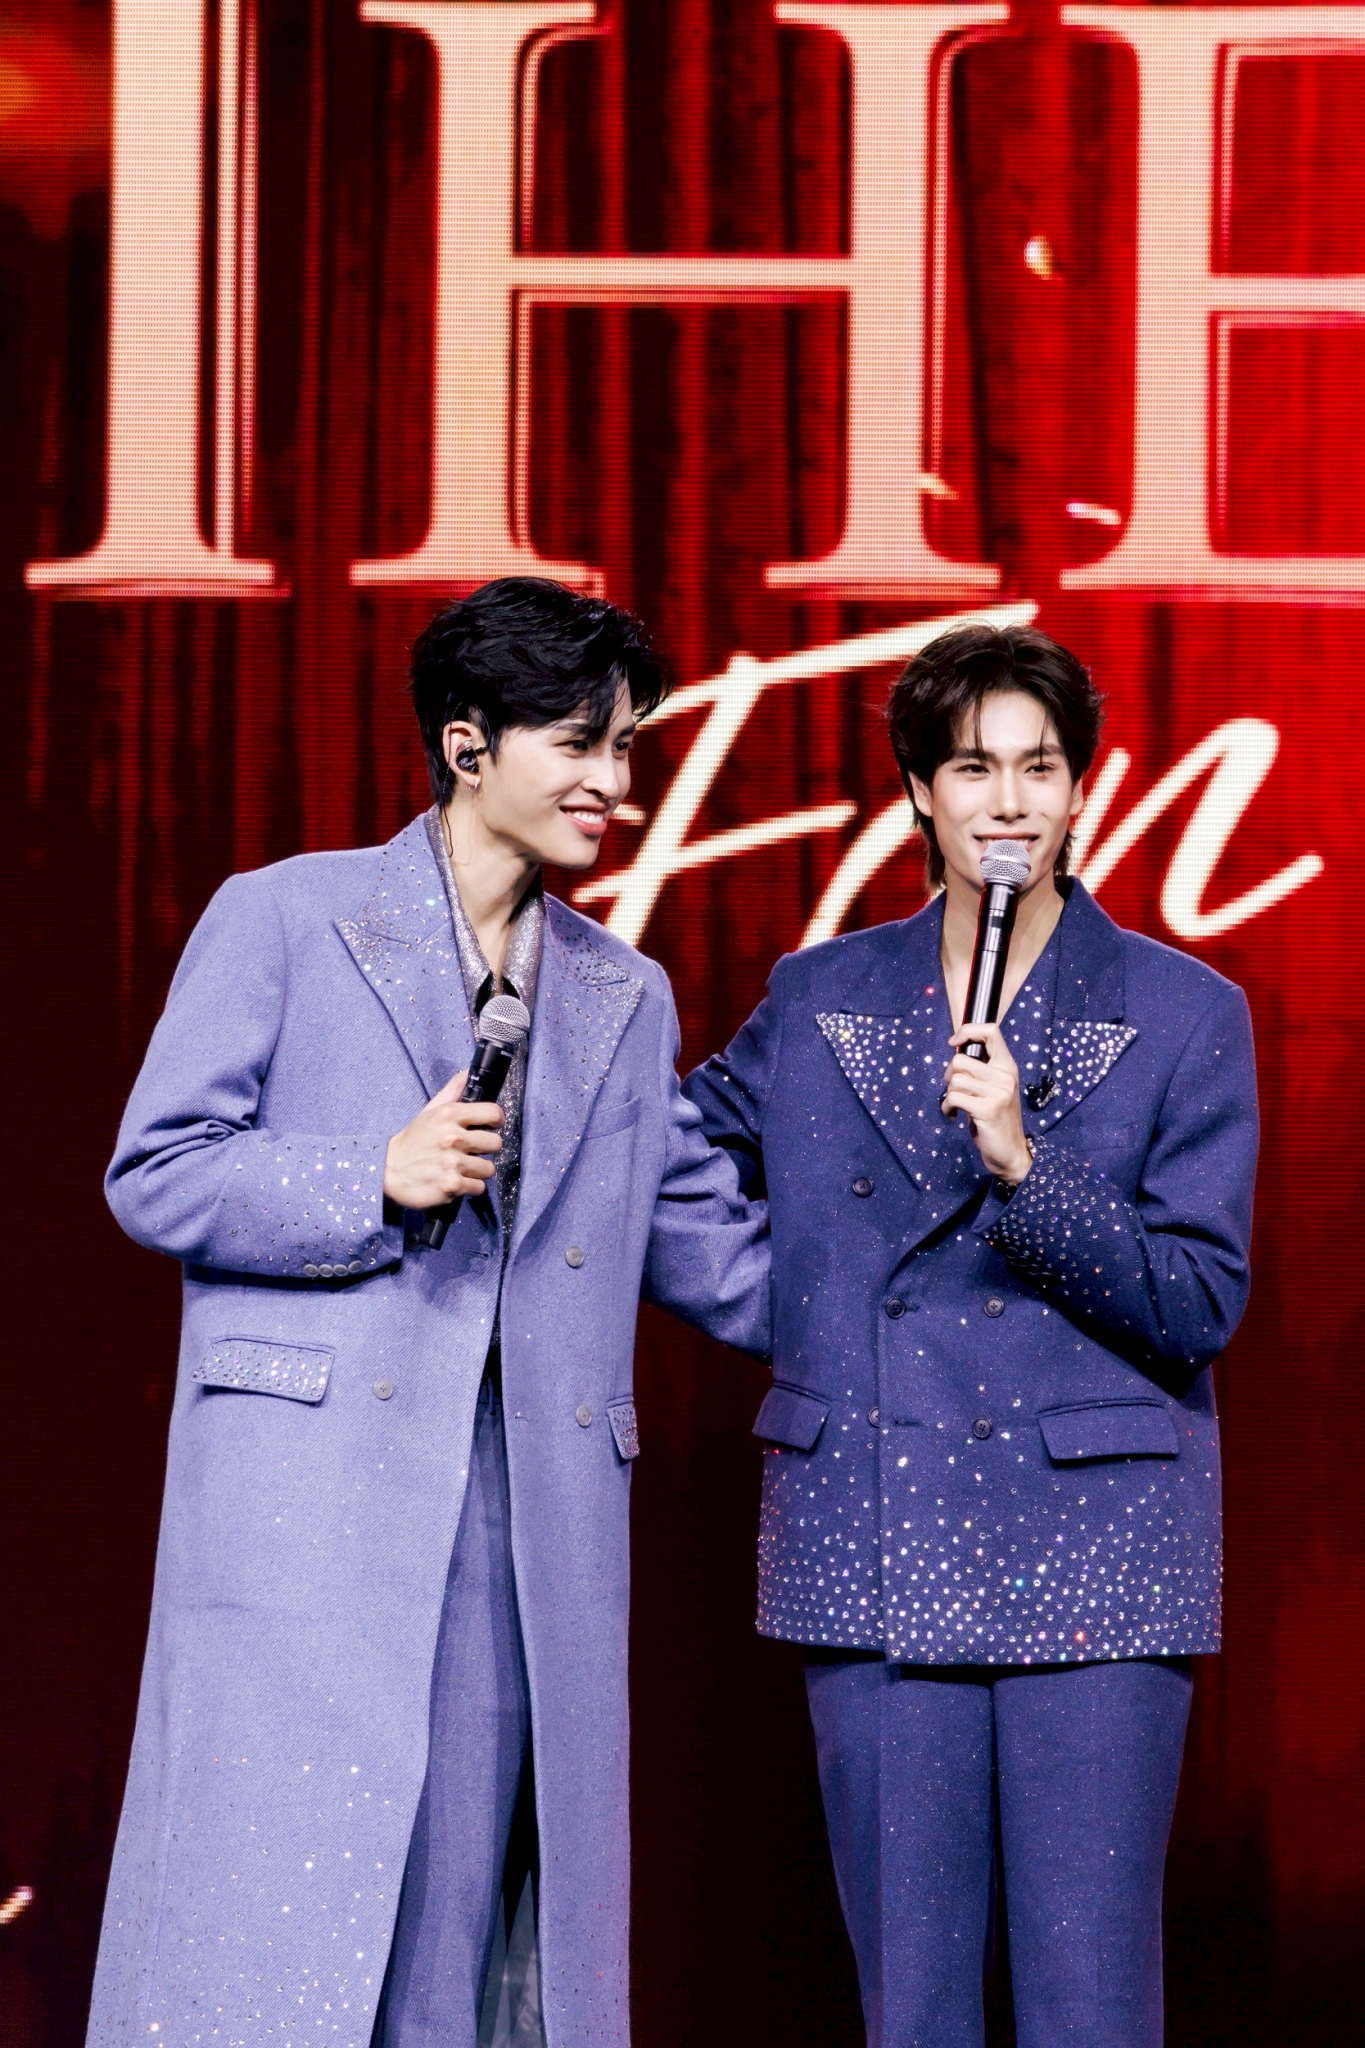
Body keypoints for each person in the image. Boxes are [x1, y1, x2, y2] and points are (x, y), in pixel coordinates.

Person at [89, 578, 770, 2048]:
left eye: (625, 747)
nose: (612, 782)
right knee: (272, 1929)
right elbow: (156, 1173)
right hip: (306, 1516)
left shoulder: (622, 994)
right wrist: (370, 1174)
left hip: (523, 1536)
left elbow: (721, 1258)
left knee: (462, 1937)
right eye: (578, 743)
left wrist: (951, 1252)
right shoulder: (286, 915)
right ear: (468, 744)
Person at [684, 624, 1258, 2047]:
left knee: (1089, 2005)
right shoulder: (819, 996)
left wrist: (1025, 1167)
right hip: (871, 1525)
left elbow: (1197, 1302)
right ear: (916, 795)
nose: (1008, 802)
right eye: (972, 769)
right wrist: (802, 1315)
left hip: (1100, 1552)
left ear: (1082, 790)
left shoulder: (1184, 1011)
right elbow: (661, 1165)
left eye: (1038, 768)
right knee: (911, 2005)